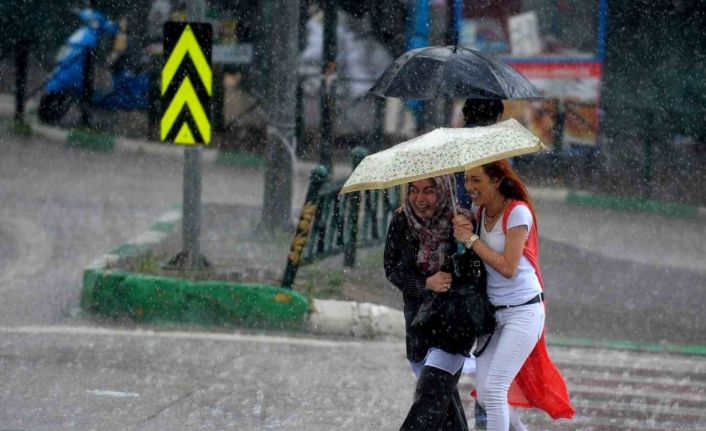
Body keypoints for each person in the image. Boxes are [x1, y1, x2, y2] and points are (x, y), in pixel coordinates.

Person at [452, 160, 575, 431]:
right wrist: (463, 229)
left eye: (476, 180)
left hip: (523, 311)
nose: (468, 187)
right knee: (485, 394)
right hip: (492, 315)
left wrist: (471, 240)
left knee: (496, 389)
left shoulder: (517, 212)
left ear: (496, 180)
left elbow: (508, 267)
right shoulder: (480, 210)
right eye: (466, 180)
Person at [384, 176, 476, 431]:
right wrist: (426, 283)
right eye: (413, 190)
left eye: (428, 191)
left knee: (429, 401)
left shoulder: (463, 220)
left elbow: (477, 273)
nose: (419, 199)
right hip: (418, 325)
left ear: (443, 191)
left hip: (454, 326)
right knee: (446, 411)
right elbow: (392, 269)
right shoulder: (401, 220)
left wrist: (466, 242)